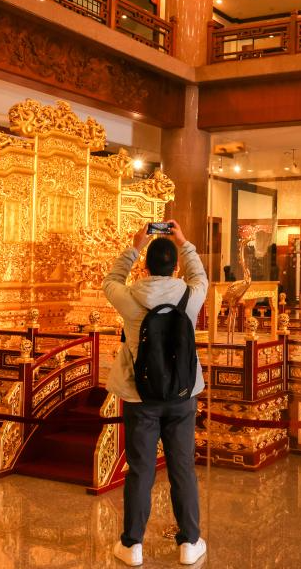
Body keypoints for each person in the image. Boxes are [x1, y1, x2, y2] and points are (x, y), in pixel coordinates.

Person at [103, 220, 208, 567]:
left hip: (140, 396)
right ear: (175, 266)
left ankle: (132, 545)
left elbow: (111, 281)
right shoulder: (190, 296)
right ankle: (189, 542)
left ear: (145, 267)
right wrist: (184, 242)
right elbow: (201, 277)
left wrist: (135, 246)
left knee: (140, 469)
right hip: (182, 394)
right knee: (182, 468)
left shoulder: (130, 299)